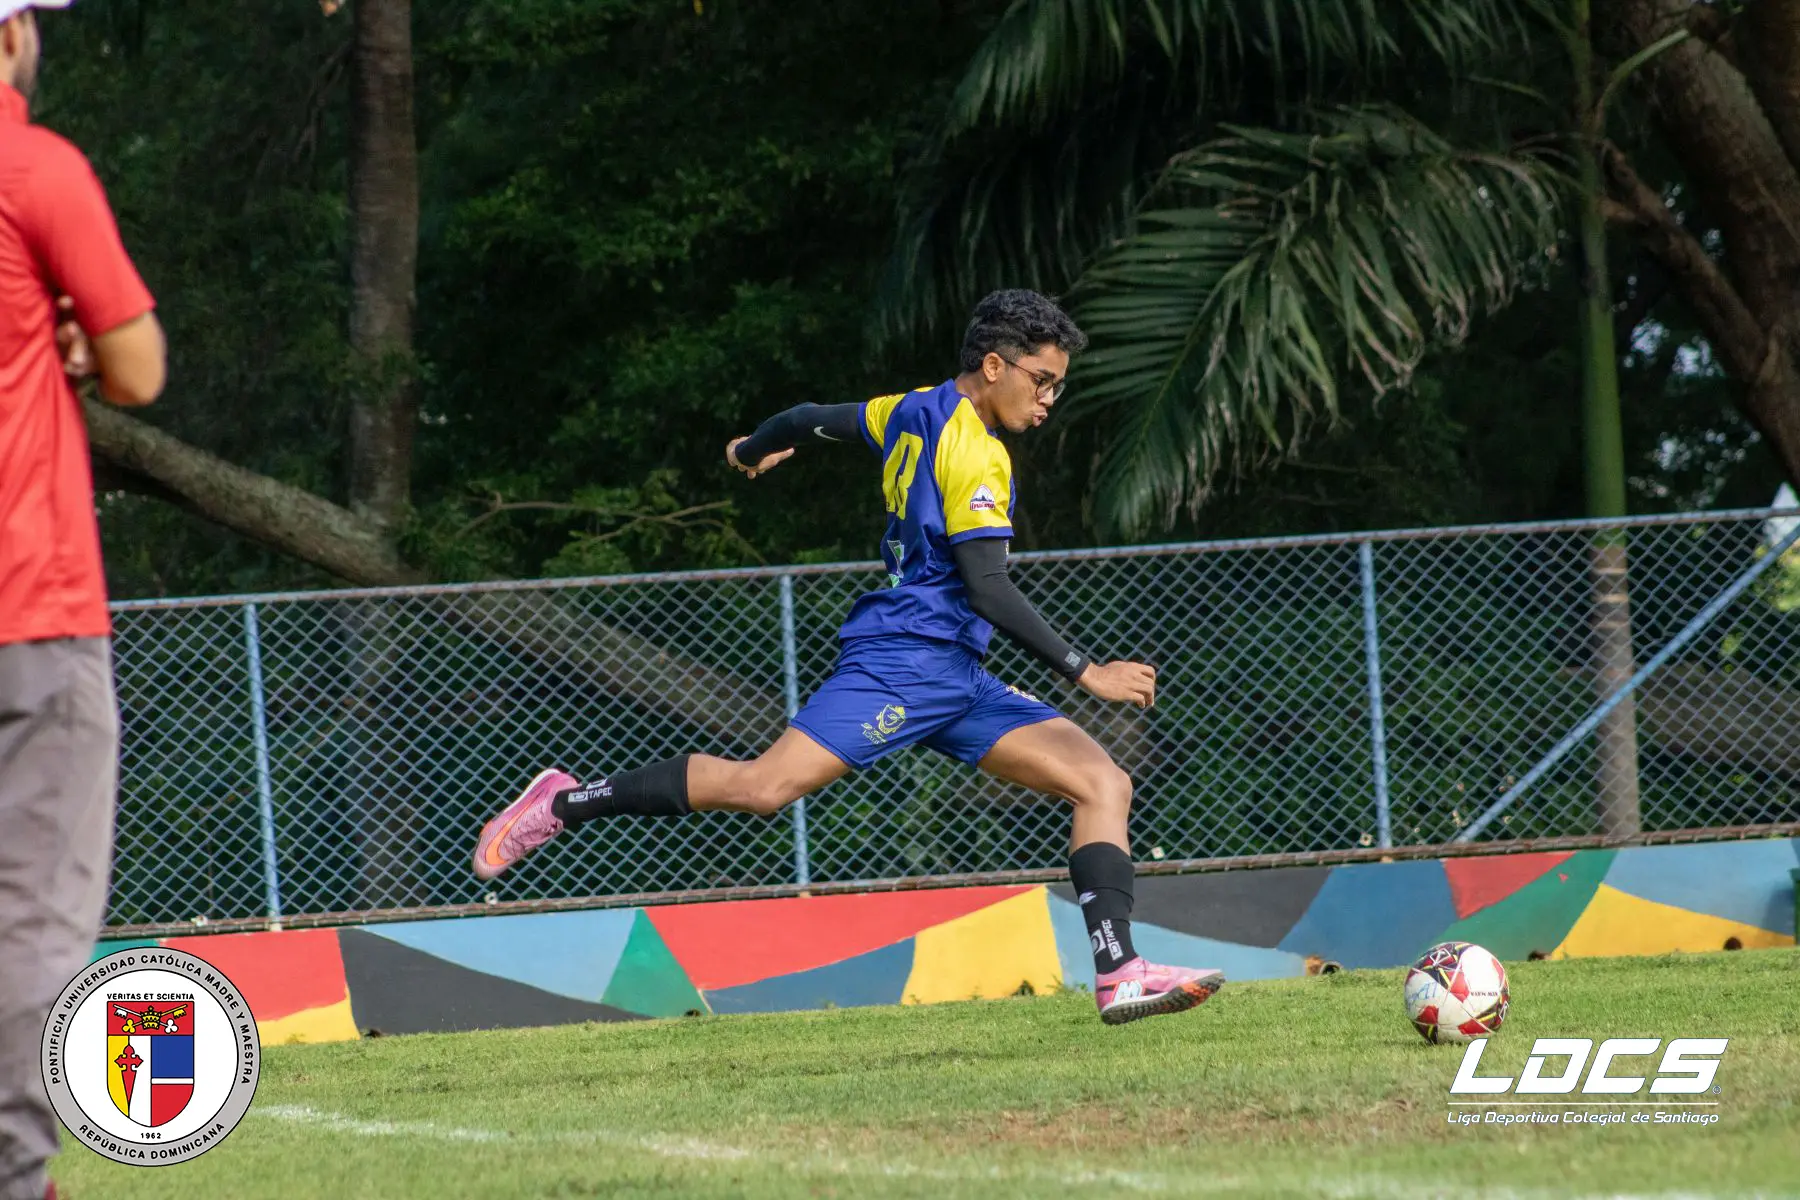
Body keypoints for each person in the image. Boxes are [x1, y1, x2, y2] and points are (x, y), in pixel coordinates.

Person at [473, 290, 1222, 1025]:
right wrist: (1088, 671)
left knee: (1102, 782)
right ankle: (563, 801)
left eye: (1058, 384)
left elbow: (808, 418)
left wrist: (751, 448)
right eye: (1043, 380)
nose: (1050, 398)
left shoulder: (911, 408)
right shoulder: (976, 453)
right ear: (995, 365)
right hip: (903, 663)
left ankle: (1120, 973)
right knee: (763, 789)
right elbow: (988, 588)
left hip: (957, 675)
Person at [0, 3, 166, 1197]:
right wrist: (70, 344)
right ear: (9, 35)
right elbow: (138, 367)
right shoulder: (35, 167)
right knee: (32, 919)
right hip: (30, 600)